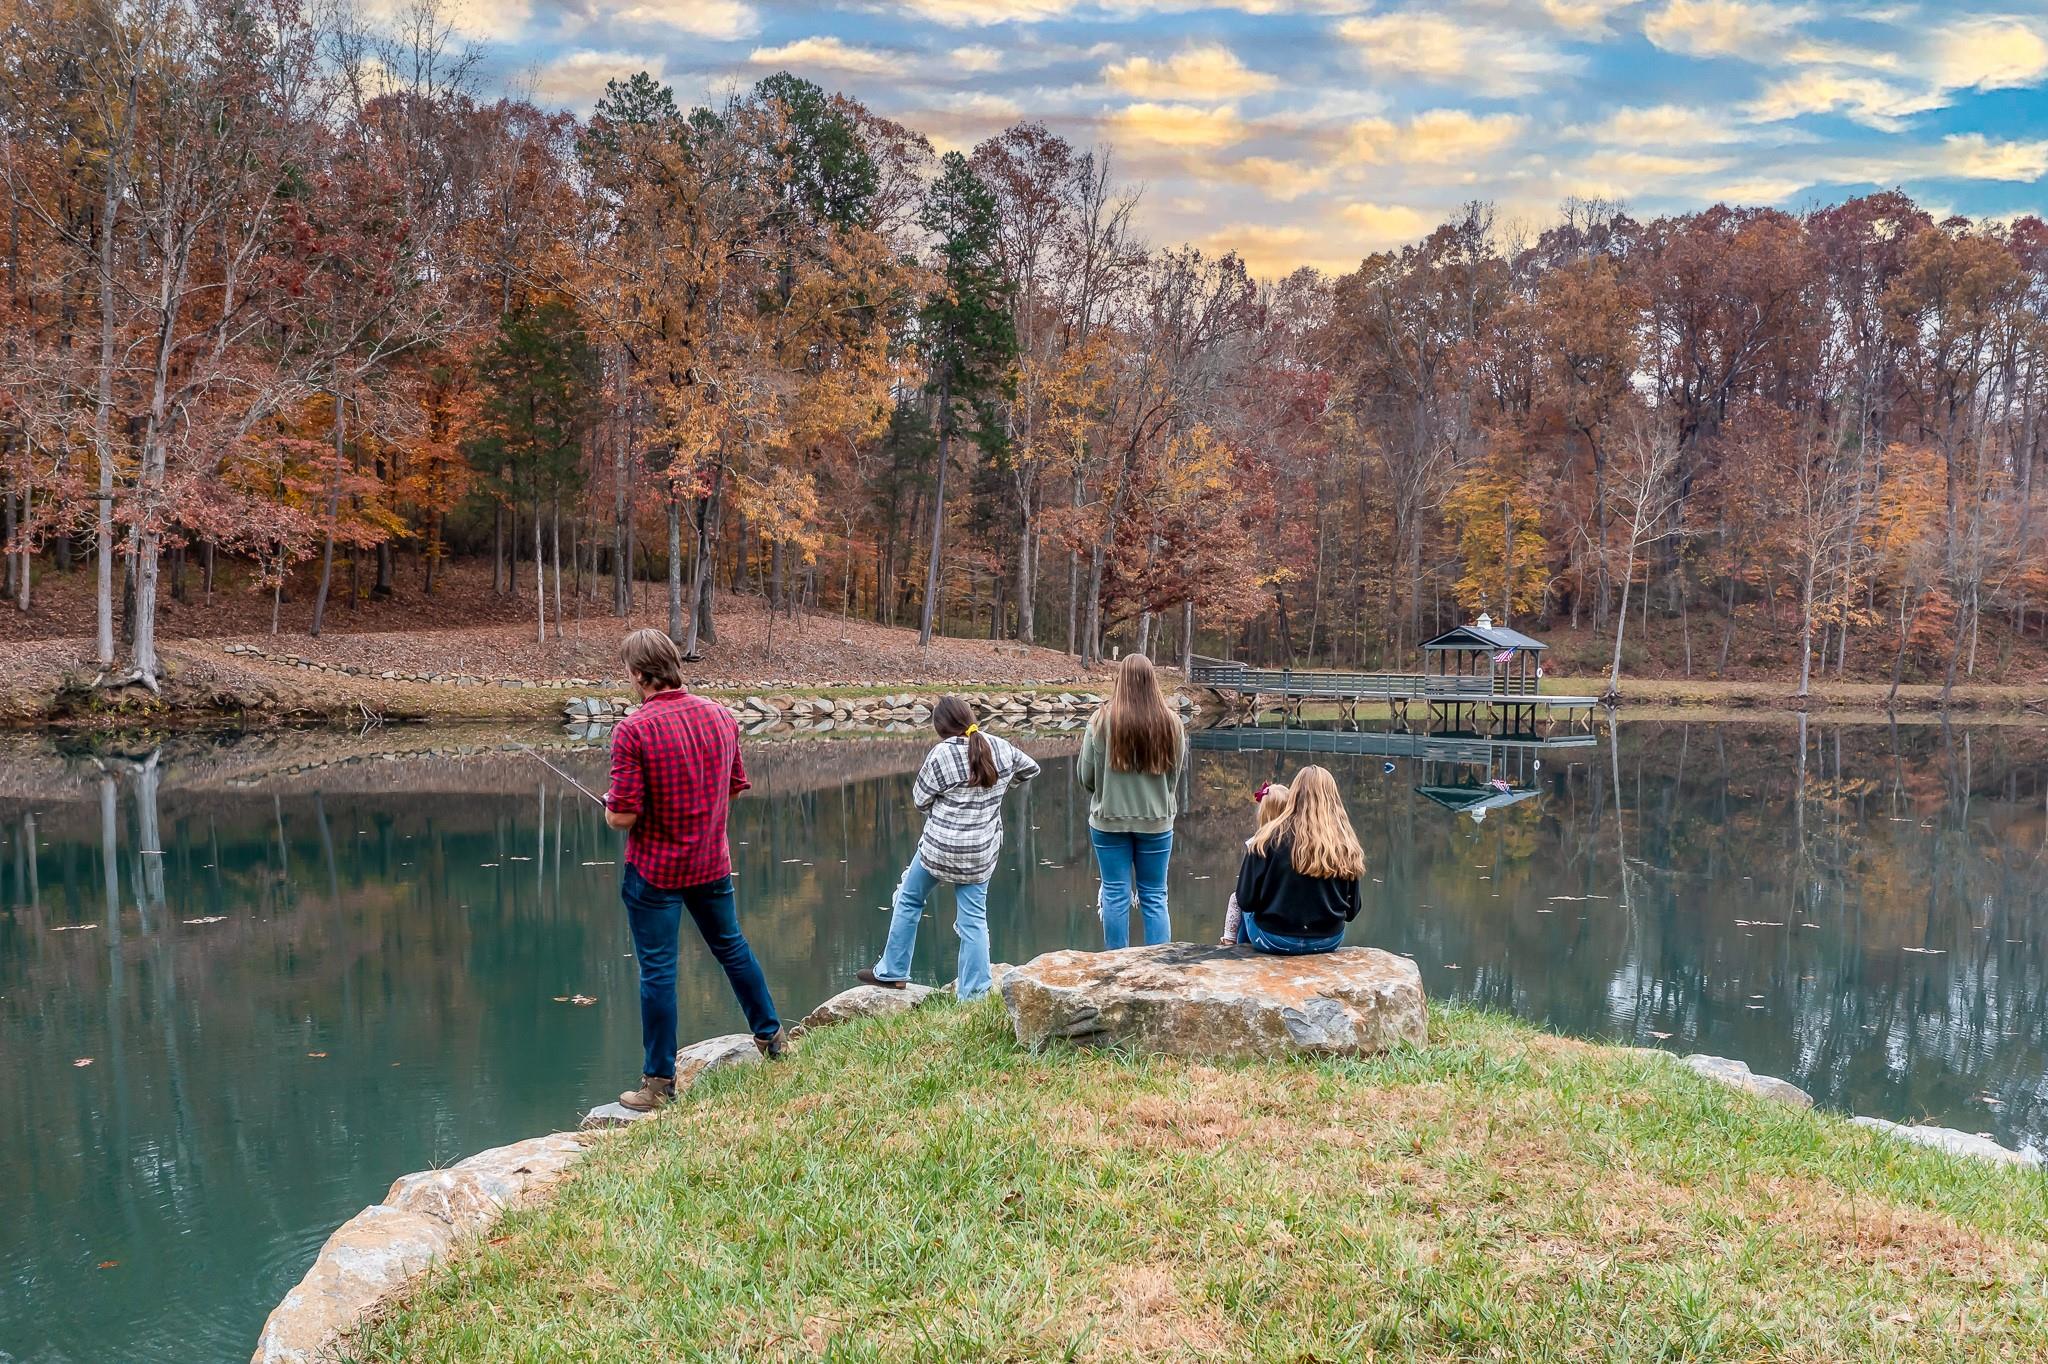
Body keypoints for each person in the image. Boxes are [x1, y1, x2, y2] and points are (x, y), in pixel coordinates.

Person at [603, 628, 783, 1112]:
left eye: (628, 671)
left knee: (659, 970)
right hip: (710, 863)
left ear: (640, 675)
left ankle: (659, 1085)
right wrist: (702, 821)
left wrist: (608, 808)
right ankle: (772, 1039)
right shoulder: (721, 716)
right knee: (732, 946)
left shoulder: (633, 729)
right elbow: (735, 786)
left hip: (655, 871)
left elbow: (621, 816)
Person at [857, 697, 1040, 1000]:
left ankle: (892, 972)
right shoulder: (1001, 747)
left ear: (941, 728)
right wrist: (1000, 787)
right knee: (973, 920)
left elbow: (920, 799)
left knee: (909, 899)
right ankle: (975, 994)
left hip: (938, 849)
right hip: (979, 854)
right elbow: (1030, 769)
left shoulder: (941, 754)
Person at [1079, 653, 1186, 949]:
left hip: (1108, 820)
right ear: (1153, 682)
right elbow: (1173, 777)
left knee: (1115, 893)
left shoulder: (1100, 721)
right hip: (1157, 822)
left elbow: (1085, 776)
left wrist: (1105, 792)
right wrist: (1161, 801)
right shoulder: (1172, 723)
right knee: (1154, 894)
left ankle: (1116, 963)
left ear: (1120, 681)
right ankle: (1159, 967)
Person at [1230, 764, 1364, 956]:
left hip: (1273, 939)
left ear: (1294, 794)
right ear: (1333, 798)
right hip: (1327, 941)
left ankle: (1237, 957)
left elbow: (1245, 900)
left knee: (1244, 911)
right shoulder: (1345, 843)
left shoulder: (1267, 837)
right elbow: (1352, 911)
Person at [1219, 781, 1291, 946]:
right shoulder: (1299, 844)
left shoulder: (1258, 844)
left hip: (1270, 921)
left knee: (1237, 900)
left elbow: (1245, 896)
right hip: (1288, 912)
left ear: (1264, 813)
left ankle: (1232, 943)